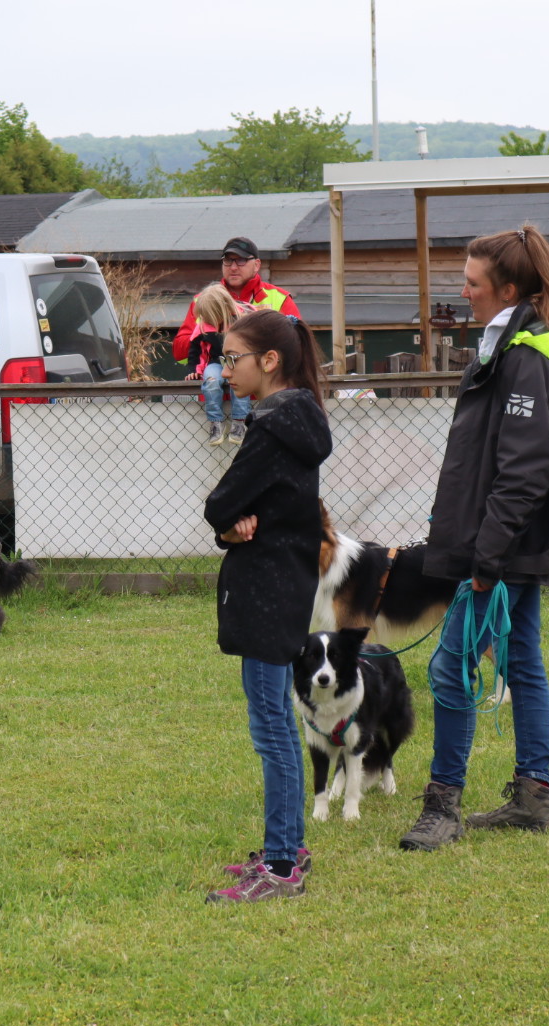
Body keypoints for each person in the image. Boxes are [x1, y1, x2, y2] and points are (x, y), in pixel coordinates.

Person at [399, 223, 549, 853]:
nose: (464, 291)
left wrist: (486, 555)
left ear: (507, 288)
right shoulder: (509, 348)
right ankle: (535, 796)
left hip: (501, 550)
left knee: (450, 670)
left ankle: (443, 802)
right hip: (509, 545)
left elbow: (526, 468)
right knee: (522, 662)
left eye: (472, 282)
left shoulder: (525, 358)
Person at [201, 308, 332, 903]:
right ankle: (290, 845)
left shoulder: (273, 423)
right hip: (283, 585)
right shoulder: (293, 416)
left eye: (232, 358)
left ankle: (281, 866)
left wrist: (228, 521)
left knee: (273, 731)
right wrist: (232, 525)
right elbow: (232, 510)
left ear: (269, 360)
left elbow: (219, 501)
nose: (223, 369)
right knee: (277, 723)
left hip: (266, 592)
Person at [173, 238, 300, 444]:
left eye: (241, 261)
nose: (233, 267)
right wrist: (210, 335)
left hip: (265, 405)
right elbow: (179, 351)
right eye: (228, 261)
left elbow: (297, 345)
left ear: (256, 265)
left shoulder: (279, 298)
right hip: (214, 410)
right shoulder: (202, 301)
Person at [182, 284, 250, 445]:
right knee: (211, 382)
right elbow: (195, 350)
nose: (207, 319)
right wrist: (193, 369)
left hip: (238, 362)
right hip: (216, 362)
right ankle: (216, 422)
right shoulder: (204, 326)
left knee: (240, 384)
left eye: (210, 315)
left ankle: (239, 422)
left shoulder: (241, 321)